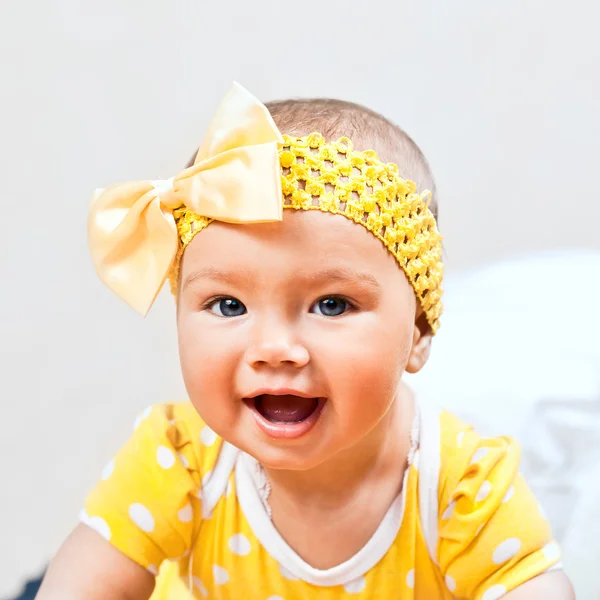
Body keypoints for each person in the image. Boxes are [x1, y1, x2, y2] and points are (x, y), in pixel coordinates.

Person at [37, 84, 574, 599]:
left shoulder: (459, 483)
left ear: (417, 334)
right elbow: (83, 583)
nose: (275, 348)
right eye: (229, 305)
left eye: (332, 304)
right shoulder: (181, 458)